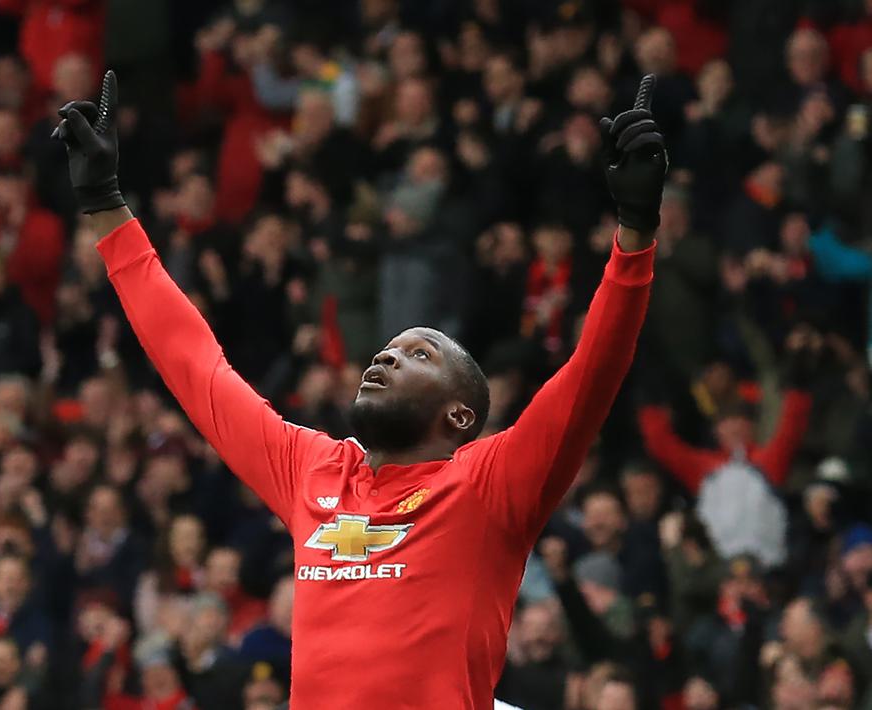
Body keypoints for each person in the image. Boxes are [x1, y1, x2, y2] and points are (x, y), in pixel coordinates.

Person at [54, 71, 667, 707]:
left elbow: (591, 374)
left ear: (461, 415)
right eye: (388, 348)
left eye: (418, 353)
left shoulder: (488, 484)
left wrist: (635, 235)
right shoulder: (311, 470)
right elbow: (193, 363)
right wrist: (105, 204)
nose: (386, 356)